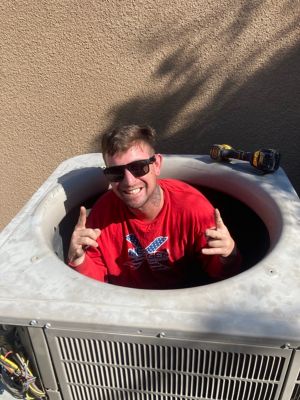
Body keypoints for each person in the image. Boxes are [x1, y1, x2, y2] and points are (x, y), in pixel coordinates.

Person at [67, 125, 241, 289]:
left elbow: (220, 275)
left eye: (138, 168)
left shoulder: (193, 207)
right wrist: (78, 260)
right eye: (116, 173)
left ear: (156, 164)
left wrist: (229, 254)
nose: (129, 181)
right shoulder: (102, 215)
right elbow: (94, 284)